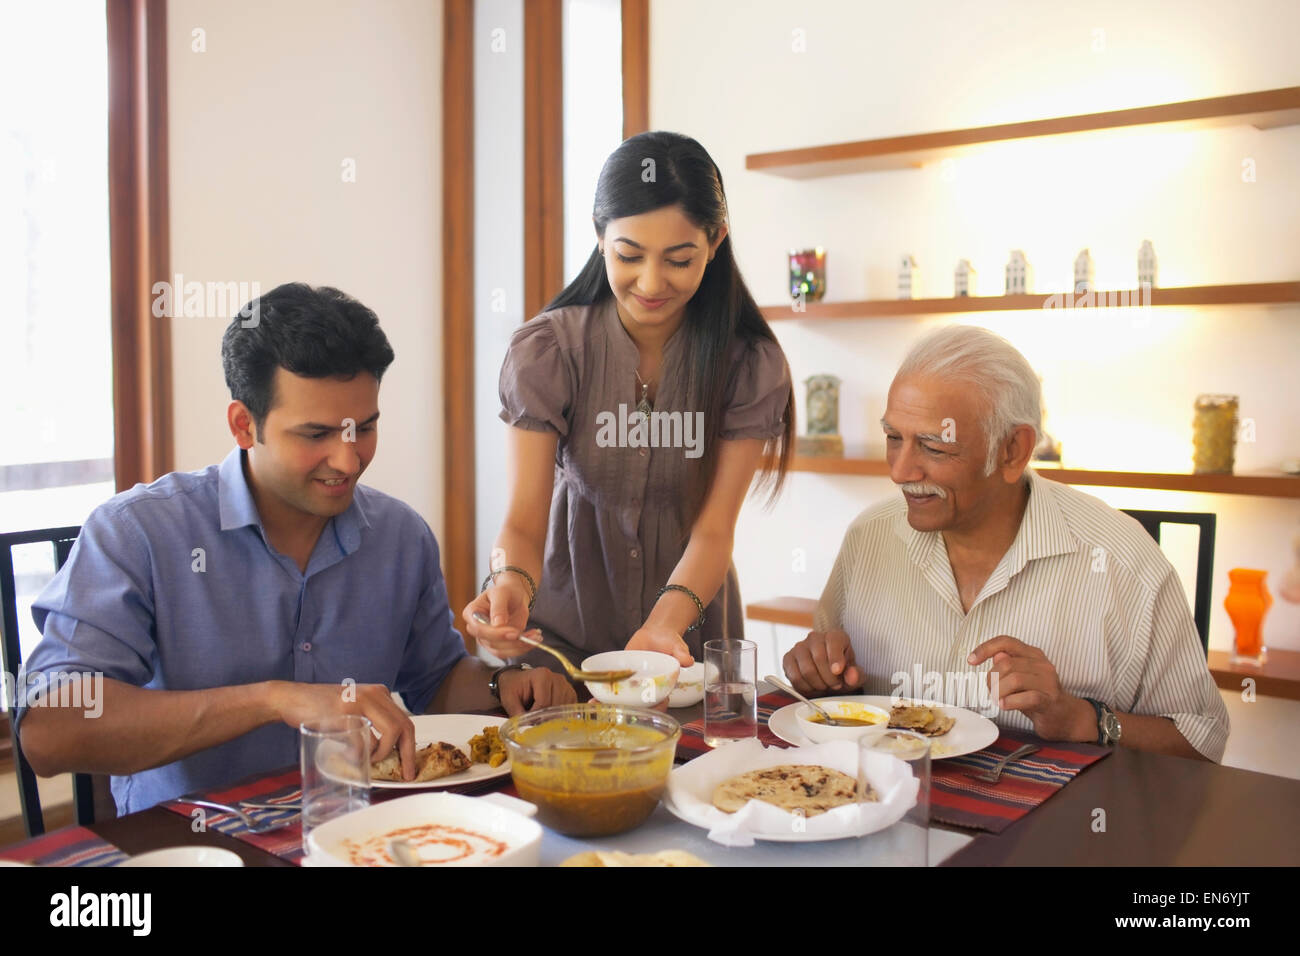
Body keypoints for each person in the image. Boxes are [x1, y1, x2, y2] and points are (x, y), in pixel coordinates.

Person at [17, 283, 574, 814]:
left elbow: (434, 680)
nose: (349, 459)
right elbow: (48, 731)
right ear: (243, 424)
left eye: (365, 428)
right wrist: (274, 700)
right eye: (316, 435)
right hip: (192, 843)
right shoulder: (139, 533)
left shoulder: (401, 538)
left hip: (359, 831)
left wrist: (505, 683)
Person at [782, 325, 1229, 761]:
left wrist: (1082, 719)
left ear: (1013, 450)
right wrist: (824, 679)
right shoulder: (870, 538)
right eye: (893, 438)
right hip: (884, 816)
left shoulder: (1121, 562)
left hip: (1066, 831)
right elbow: (832, 691)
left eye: (934, 448)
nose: (900, 472)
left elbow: (1201, 743)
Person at [466, 131, 795, 673]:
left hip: (689, 640)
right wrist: (508, 584)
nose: (650, 282)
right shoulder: (550, 352)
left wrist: (664, 625)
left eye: (679, 260)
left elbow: (715, 531)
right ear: (600, 237)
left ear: (715, 242)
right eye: (629, 255)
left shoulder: (747, 364)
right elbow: (523, 522)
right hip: (566, 634)